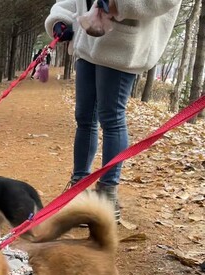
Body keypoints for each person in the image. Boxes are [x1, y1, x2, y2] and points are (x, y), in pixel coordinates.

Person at [46, 0, 181, 220]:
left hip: (122, 46)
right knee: (84, 118)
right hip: (87, 41)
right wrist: (61, 19)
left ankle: (107, 195)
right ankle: (78, 189)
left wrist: (117, 3)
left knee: (111, 118)